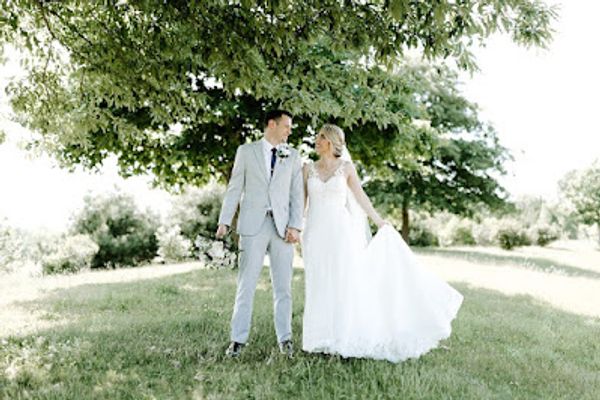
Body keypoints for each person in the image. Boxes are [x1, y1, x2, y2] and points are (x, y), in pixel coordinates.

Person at [301, 124, 463, 362]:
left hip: (340, 232)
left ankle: (341, 337)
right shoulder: (307, 169)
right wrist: (295, 227)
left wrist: (378, 221)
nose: (317, 140)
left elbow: (360, 196)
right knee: (318, 282)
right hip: (315, 233)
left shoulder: (345, 168)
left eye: (322, 137)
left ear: (333, 142)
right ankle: (319, 339)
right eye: (317, 137)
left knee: (341, 283)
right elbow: (301, 203)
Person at [216, 110, 304, 358]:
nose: (289, 131)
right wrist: (224, 221)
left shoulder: (293, 155)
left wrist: (295, 226)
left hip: (282, 228)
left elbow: (297, 194)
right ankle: (237, 340)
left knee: (283, 287)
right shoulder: (246, 152)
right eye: (286, 126)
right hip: (252, 226)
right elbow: (234, 188)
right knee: (246, 284)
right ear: (271, 124)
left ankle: (285, 339)